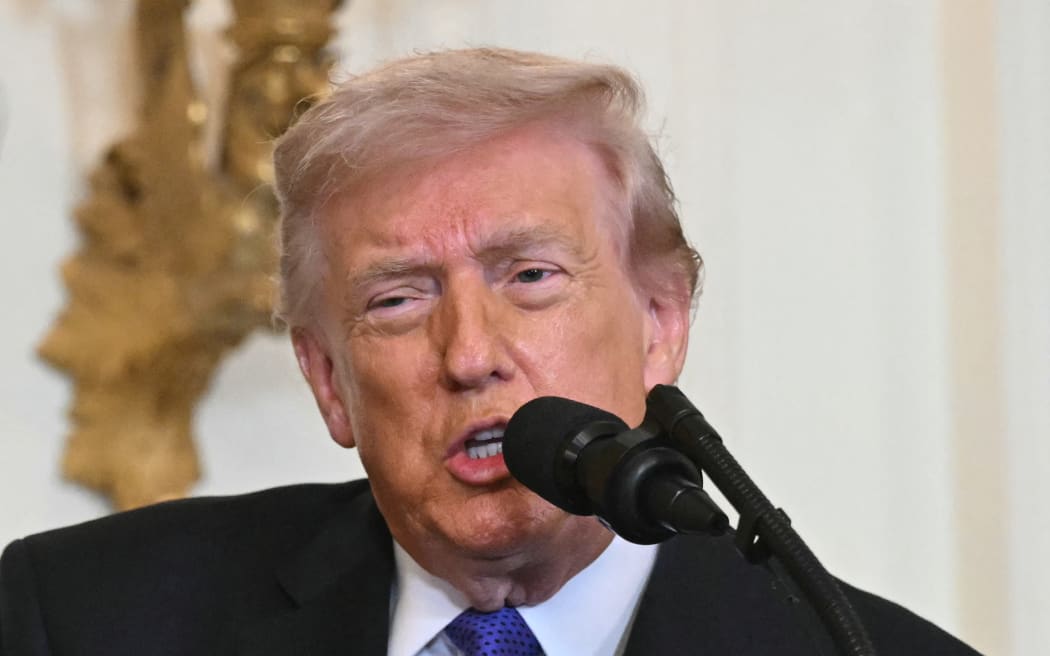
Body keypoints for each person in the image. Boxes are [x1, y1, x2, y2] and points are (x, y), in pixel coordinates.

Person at [0, 48, 977, 655]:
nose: (470, 354)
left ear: (660, 324)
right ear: (328, 380)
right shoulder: (85, 619)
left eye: (531, 276)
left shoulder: (859, 650)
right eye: (397, 299)